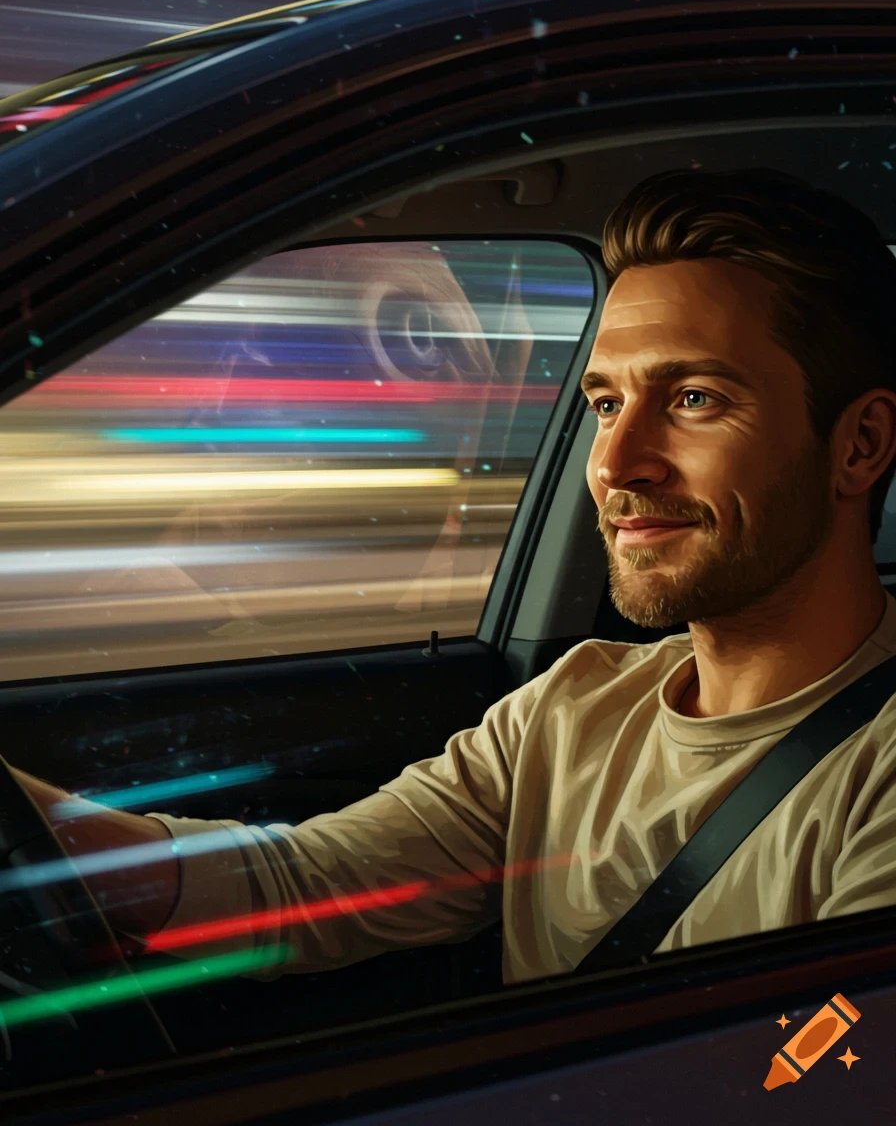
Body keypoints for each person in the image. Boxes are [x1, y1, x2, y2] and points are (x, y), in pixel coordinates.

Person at [14, 167, 896, 985]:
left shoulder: (876, 773)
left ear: (857, 446)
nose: (618, 464)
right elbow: (305, 883)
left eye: (694, 399)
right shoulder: (574, 706)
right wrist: (38, 823)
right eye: (605, 404)